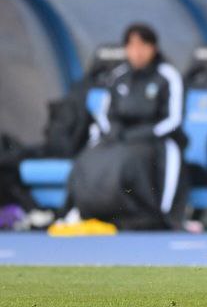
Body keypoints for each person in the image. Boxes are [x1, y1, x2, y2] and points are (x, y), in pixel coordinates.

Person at [61, 24, 187, 230]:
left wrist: (139, 134)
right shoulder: (118, 75)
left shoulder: (167, 75)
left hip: (153, 139)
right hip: (119, 139)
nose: (137, 52)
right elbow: (106, 113)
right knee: (88, 157)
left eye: (143, 45)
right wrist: (114, 132)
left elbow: (173, 119)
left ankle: (147, 215)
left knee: (128, 161)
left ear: (153, 48)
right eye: (132, 46)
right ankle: (82, 210)